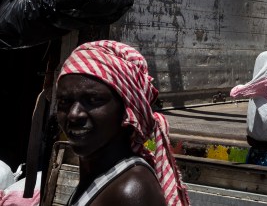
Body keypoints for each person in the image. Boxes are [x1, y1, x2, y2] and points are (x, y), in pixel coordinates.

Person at [55, 40, 189, 206]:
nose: (74, 115)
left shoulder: (131, 192)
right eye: (64, 102)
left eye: (94, 100)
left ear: (127, 111)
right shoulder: (102, 176)